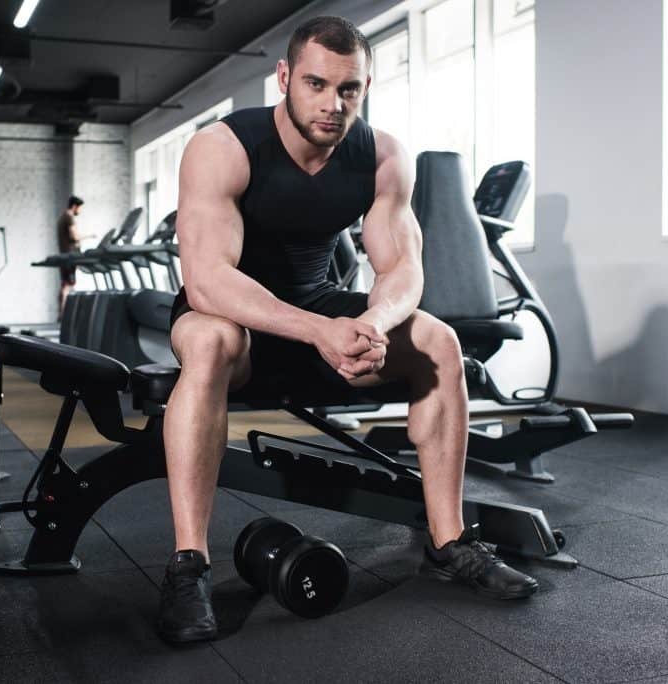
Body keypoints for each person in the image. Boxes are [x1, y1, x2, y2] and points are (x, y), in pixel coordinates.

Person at [157, 16, 539, 644]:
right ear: (284, 78)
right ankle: (188, 566)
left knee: (438, 342)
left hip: (323, 310)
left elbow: (403, 268)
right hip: (236, 318)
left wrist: (372, 325)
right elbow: (207, 281)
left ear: (365, 87)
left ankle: (448, 542)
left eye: (349, 89)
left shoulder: (382, 155)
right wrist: (321, 331)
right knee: (208, 339)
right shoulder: (223, 146)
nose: (333, 104)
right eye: (316, 84)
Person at [56, 195, 85, 315]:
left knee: (65, 285)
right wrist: (89, 236)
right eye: (80, 208)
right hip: (70, 256)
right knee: (68, 285)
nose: (80, 211)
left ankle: (61, 314)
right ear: (74, 206)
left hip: (65, 254)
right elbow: (74, 236)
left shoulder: (62, 217)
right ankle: (64, 315)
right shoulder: (69, 217)